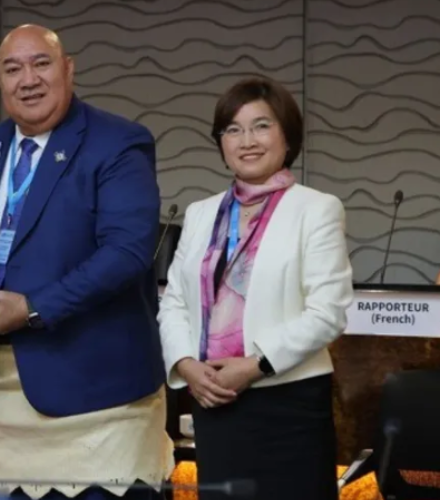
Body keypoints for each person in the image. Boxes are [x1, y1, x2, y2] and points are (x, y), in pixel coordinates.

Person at [0, 24, 172, 500]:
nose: (28, 79)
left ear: (68, 69)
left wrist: (31, 308)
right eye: (12, 68)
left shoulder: (118, 141)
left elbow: (127, 252)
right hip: (2, 401)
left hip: (100, 404)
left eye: (40, 63)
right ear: (0, 83)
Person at [158, 76, 354, 500]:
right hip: (213, 401)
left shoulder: (316, 209)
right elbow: (174, 301)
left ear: (288, 136)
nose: (246, 140)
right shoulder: (200, 213)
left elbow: (328, 312)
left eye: (261, 126)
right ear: (222, 143)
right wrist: (187, 364)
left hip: (287, 404)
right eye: (232, 129)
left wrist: (255, 364)